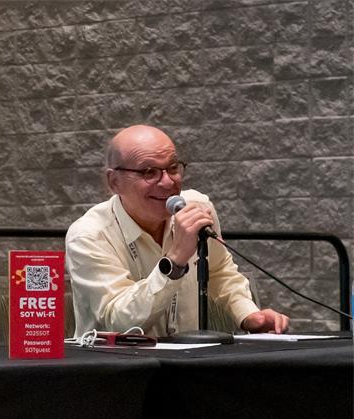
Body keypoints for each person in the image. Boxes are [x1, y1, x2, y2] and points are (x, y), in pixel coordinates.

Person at [65, 124, 288, 337]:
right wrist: (174, 261)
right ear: (114, 182)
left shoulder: (197, 207)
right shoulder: (88, 235)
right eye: (149, 172)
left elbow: (219, 271)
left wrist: (248, 314)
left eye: (173, 168)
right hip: (119, 368)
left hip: (189, 362)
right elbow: (118, 321)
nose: (167, 182)